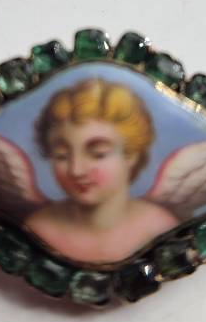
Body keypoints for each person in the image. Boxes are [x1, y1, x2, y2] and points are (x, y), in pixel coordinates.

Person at [27, 77, 177, 264]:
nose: (76, 170)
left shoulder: (159, 228)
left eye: (98, 154)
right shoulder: (38, 230)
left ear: (130, 154)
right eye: (61, 155)